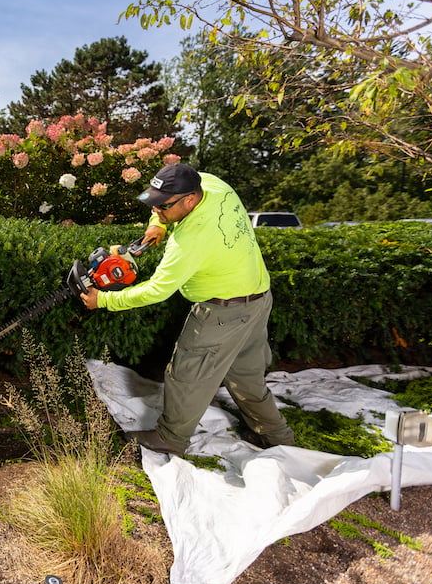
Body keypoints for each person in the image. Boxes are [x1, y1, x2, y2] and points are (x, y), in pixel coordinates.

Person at [81, 163, 295, 455]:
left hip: (221, 312)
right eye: (153, 204)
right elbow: (167, 203)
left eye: (162, 206)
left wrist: (103, 300)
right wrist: (158, 224)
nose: (156, 209)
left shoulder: (190, 240)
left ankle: (171, 438)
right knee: (247, 380)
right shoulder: (213, 185)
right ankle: (280, 439)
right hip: (257, 299)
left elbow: (158, 290)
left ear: (190, 200)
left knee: (184, 376)